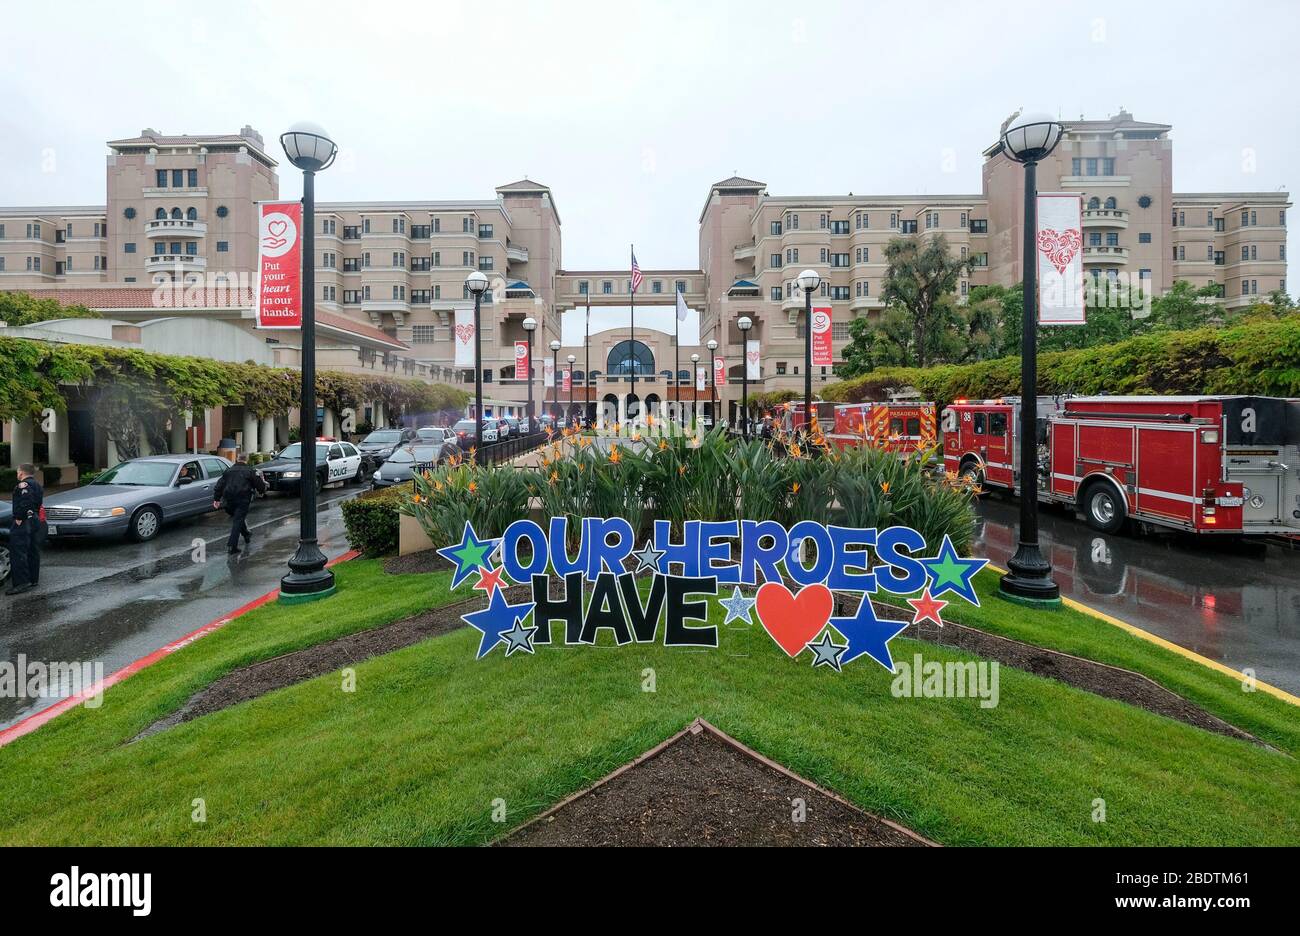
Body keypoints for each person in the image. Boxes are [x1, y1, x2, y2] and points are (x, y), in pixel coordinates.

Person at [213, 454, 266, 555]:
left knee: (238, 518)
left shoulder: (228, 471)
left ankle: (246, 534)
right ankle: (232, 546)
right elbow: (259, 484)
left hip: (228, 500)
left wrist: (216, 499)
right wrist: (262, 491)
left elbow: (219, 485)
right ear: (246, 460)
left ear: (237, 459)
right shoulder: (250, 471)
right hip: (243, 499)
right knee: (238, 520)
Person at [6, 463, 44, 595]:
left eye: (18, 472)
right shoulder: (37, 485)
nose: (17, 474)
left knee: (18, 551)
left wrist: (19, 517)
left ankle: (21, 583)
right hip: (34, 519)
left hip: (24, 521)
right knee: (32, 550)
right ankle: (33, 579)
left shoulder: (24, 485)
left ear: (21, 473)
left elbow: (25, 501)